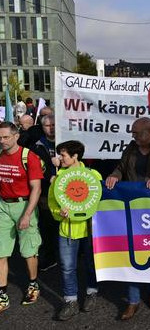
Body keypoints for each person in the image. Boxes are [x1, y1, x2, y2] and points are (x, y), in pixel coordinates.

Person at [105, 117, 150, 320]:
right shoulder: (131, 148)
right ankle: (133, 300)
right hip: (131, 208)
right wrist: (114, 176)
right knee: (131, 253)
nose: (132, 136)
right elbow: (120, 167)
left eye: (136, 132)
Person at [49, 141, 101, 321]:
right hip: (67, 229)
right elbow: (52, 204)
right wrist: (59, 212)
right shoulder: (58, 178)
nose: (59, 159)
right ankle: (70, 301)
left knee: (91, 264)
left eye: (63, 155)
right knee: (67, 267)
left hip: (90, 230)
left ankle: (92, 292)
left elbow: (100, 203)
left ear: (75, 156)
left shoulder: (93, 175)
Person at [0, 121, 43, 313]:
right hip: (3, 206)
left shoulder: (29, 157)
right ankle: (2, 294)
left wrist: (27, 215)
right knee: (1, 252)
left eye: (6, 137)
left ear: (16, 136)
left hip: (24, 205)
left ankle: (33, 284)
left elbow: (36, 188)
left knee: (28, 251)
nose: (2, 141)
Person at [32, 114, 59, 272]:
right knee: (47, 226)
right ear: (42, 127)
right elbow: (37, 171)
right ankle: (49, 257)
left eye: (54, 124)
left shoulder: (66, 142)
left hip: (67, 193)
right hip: (47, 193)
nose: (51, 128)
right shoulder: (38, 146)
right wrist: (49, 176)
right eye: (47, 126)